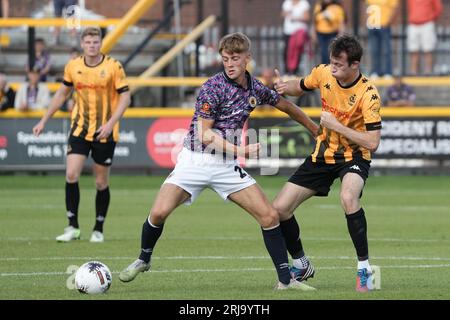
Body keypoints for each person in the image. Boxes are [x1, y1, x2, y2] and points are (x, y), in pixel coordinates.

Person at [118, 32, 319, 290]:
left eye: (235, 58)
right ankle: (143, 259)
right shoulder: (212, 88)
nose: (230, 64)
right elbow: (204, 135)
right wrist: (241, 151)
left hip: (224, 167)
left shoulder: (255, 87)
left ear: (248, 58)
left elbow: (287, 106)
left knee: (269, 216)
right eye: (225, 59)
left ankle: (285, 281)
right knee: (158, 213)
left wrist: (314, 130)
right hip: (195, 161)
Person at [273, 35, 382, 292]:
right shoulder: (324, 73)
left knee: (348, 198)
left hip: (354, 156)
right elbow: (300, 86)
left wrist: (338, 126)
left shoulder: (369, 94)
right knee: (279, 209)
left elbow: (372, 142)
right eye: (331, 62)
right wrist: (281, 87)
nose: (333, 68)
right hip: (323, 153)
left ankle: (364, 269)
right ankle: (301, 263)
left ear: (355, 65)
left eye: (339, 64)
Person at [32, 27, 131, 243]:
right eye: (88, 42)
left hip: (105, 132)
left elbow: (125, 98)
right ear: (82, 44)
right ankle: (72, 227)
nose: (92, 46)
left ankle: (98, 228)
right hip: (79, 129)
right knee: (71, 175)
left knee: (100, 182)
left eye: (95, 42)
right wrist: (43, 120)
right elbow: (61, 94)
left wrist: (110, 123)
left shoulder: (113, 66)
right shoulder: (73, 66)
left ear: (100, 43)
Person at [407, 0, 442, 75]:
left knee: (428, 49)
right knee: (413, 49)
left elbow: (438, 8)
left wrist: (431, 18)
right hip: (413, 23)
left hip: (427, 23)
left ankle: (428, 71)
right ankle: (413, 72)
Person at [366, 0, 399, 79]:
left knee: (386, 50)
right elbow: (367, 7)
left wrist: (389, 21)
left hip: (384, 24)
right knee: (374, 50)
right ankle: (375, 71)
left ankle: (388, 72)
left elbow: (395, 9)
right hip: (372, 25)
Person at [281, 0, 311, 75]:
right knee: (287, 51)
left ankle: (295, 70)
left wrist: (296, 18)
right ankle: (287, 70)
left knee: (297, 51)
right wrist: (287, 13)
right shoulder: (287, 2)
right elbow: (283, 14)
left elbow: (307, 17)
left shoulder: (304, 3)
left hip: (298, 32)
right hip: (288, 31)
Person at [311, 0, 346, 64]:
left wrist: (340, 34)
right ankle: (325, 68)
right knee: (323, 52)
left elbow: (341, 23)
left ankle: (330, 68)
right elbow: (314, 21)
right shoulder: (319, 6)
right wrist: (313, 34)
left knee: (330, 52)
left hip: (332, 33)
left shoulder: (337, 7)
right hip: (321, 33)